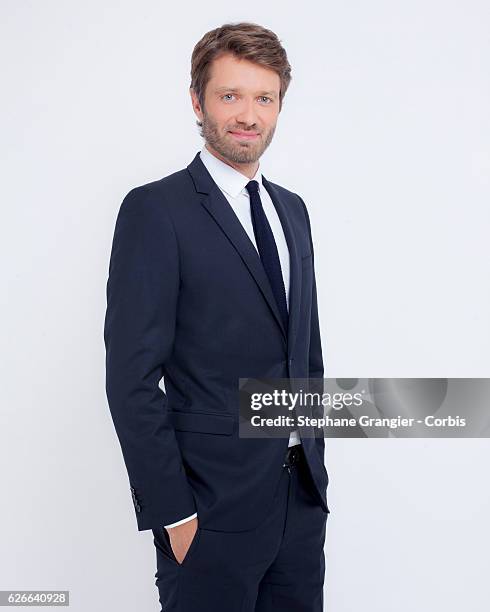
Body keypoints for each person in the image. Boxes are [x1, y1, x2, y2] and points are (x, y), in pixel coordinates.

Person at [104, 21, 330, 612]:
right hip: (207, 517)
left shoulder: (293, 212)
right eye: (230, 96)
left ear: (281, 103)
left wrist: (315, 480)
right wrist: (173, 514)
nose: (248, 116)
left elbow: (304, 356)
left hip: (297, 513)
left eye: (264, 98)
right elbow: (131, 381)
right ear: (197, 100)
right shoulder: (156, 211)